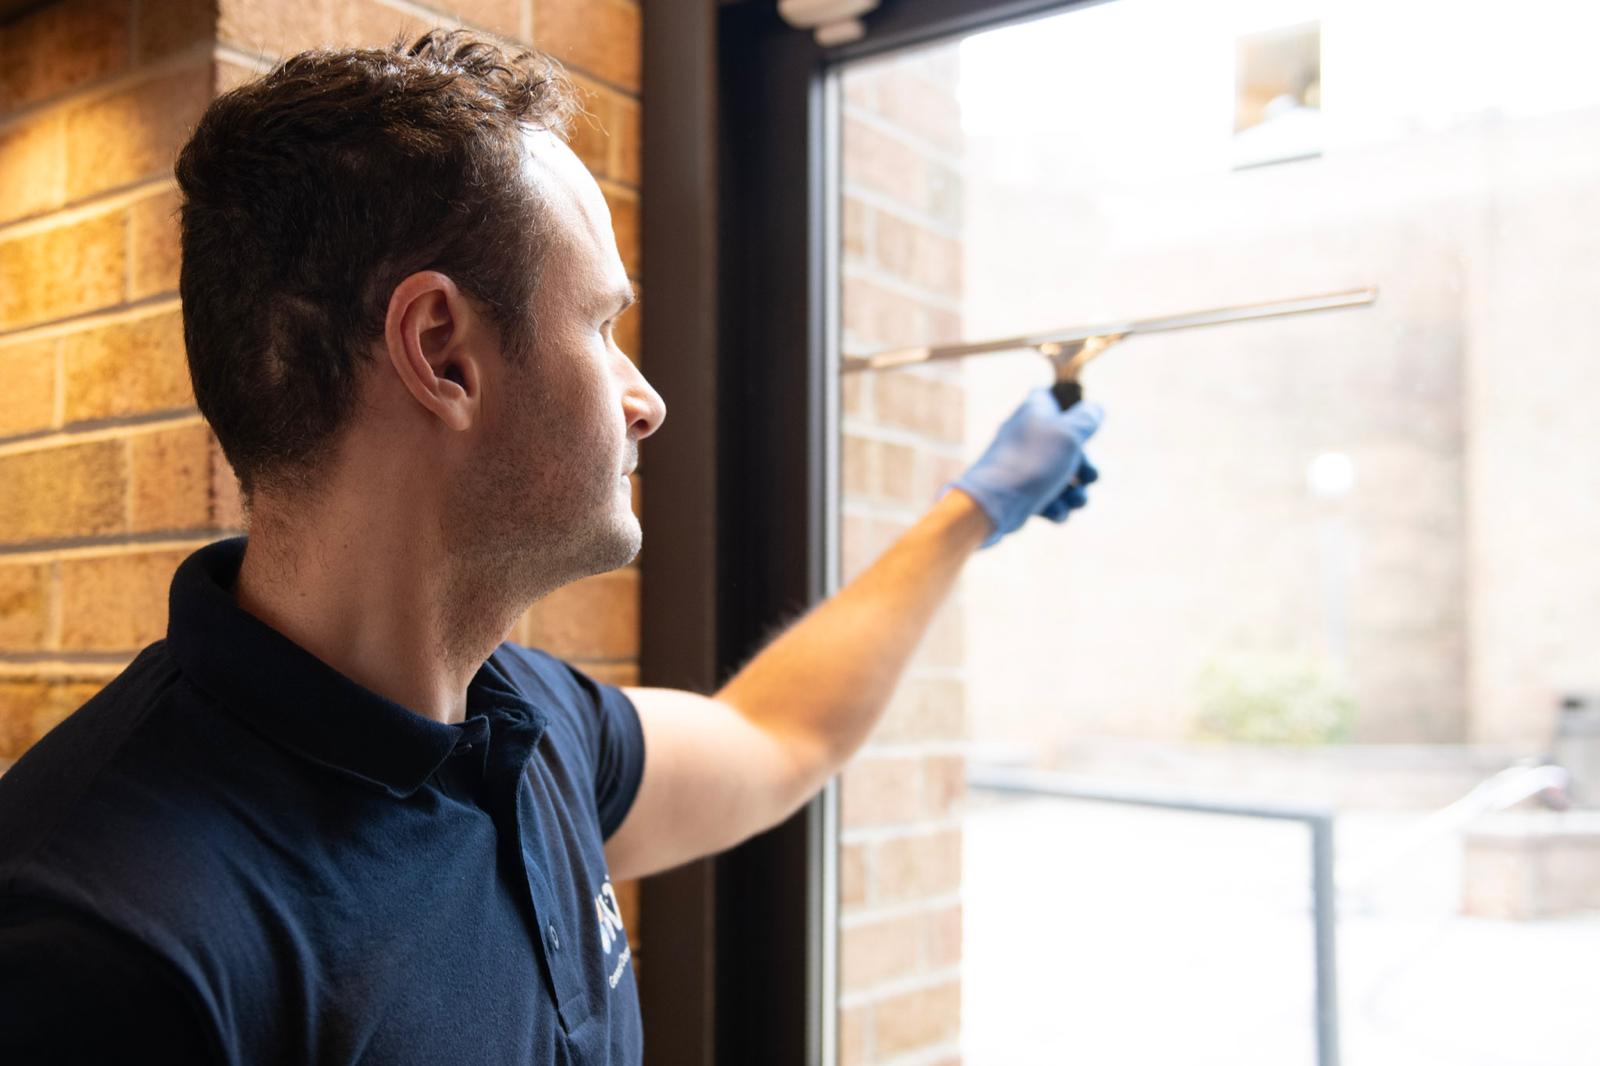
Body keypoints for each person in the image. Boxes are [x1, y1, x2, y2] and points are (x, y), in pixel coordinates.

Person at [0, 28, 1103, 1066]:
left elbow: (777, 735)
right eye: (602, 326)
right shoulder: (105, 933)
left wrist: (972, 510)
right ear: (442, 353)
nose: (647, 399)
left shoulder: (526, 728)